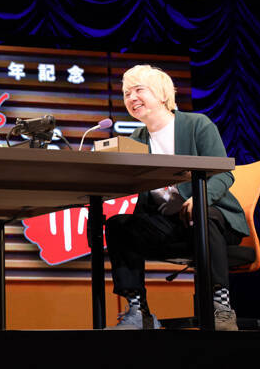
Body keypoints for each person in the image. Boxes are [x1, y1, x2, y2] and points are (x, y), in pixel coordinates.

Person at [104, 64, 248, 331]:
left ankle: (221, 307)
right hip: (168, 225)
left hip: (214, 219)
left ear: (161, 94)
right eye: (126, 94)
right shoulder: (136, 139)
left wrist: (201, 199)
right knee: (118, 225)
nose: (131, 98)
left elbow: (224, 174)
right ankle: (138, 312)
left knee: (204, 214)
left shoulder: (197, 124)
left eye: (138, 90)